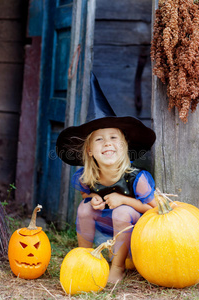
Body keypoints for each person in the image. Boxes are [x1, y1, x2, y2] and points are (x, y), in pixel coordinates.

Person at [56, 72, 156, 283]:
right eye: (99, 139)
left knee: (122, 212)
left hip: (135, 236)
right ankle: (83, 258)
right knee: (84, 207)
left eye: (113, 138)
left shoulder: (137, 179)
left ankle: (118, 267)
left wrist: (125, 200)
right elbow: (86, 192)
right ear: (90, 150)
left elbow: (155, 211)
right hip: (105, 231)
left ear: (123, 146)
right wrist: (92, 197)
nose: (107, 143)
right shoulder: (87, 176)